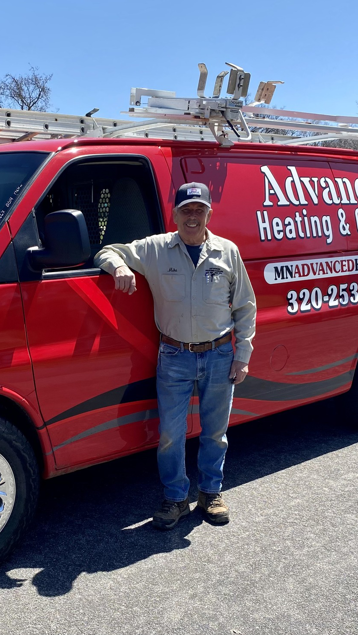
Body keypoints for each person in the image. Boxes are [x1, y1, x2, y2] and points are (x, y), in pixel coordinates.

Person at [94, 182, 256, 529]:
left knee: (215, 432)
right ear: (175, 214)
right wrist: (119, 267)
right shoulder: (155, 249)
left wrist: (242, 354)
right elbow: (107, 250)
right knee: (170, 433)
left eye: (199, 210)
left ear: (209, 214)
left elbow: (245, 306)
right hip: (174, 355)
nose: (192, 216)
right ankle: (176, 498)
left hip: (219, 353)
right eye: (186, 210)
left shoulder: (228, 252)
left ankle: (210, 493)